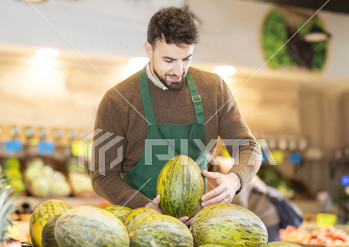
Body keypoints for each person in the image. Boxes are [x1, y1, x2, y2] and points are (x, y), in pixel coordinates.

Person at [91, 7, 262, 224]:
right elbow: (102, 176)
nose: (179, 71)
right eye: (169, 60)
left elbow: (249, 147)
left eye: (186, 59)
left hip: (198, 224)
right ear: (148, 50)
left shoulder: (214, 89)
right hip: (141, 224)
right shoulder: (118, 100)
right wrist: (145, 208)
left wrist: (234, 179)